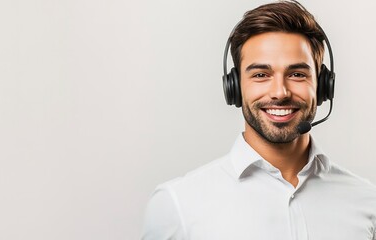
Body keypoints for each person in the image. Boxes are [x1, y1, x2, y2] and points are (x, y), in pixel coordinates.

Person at [142, 1, 376, 239]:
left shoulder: (368, 202)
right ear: (234, 87)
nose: (280, 92)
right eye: (261, 75)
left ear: (323, 85)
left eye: (297, 74)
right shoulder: (178, 204)